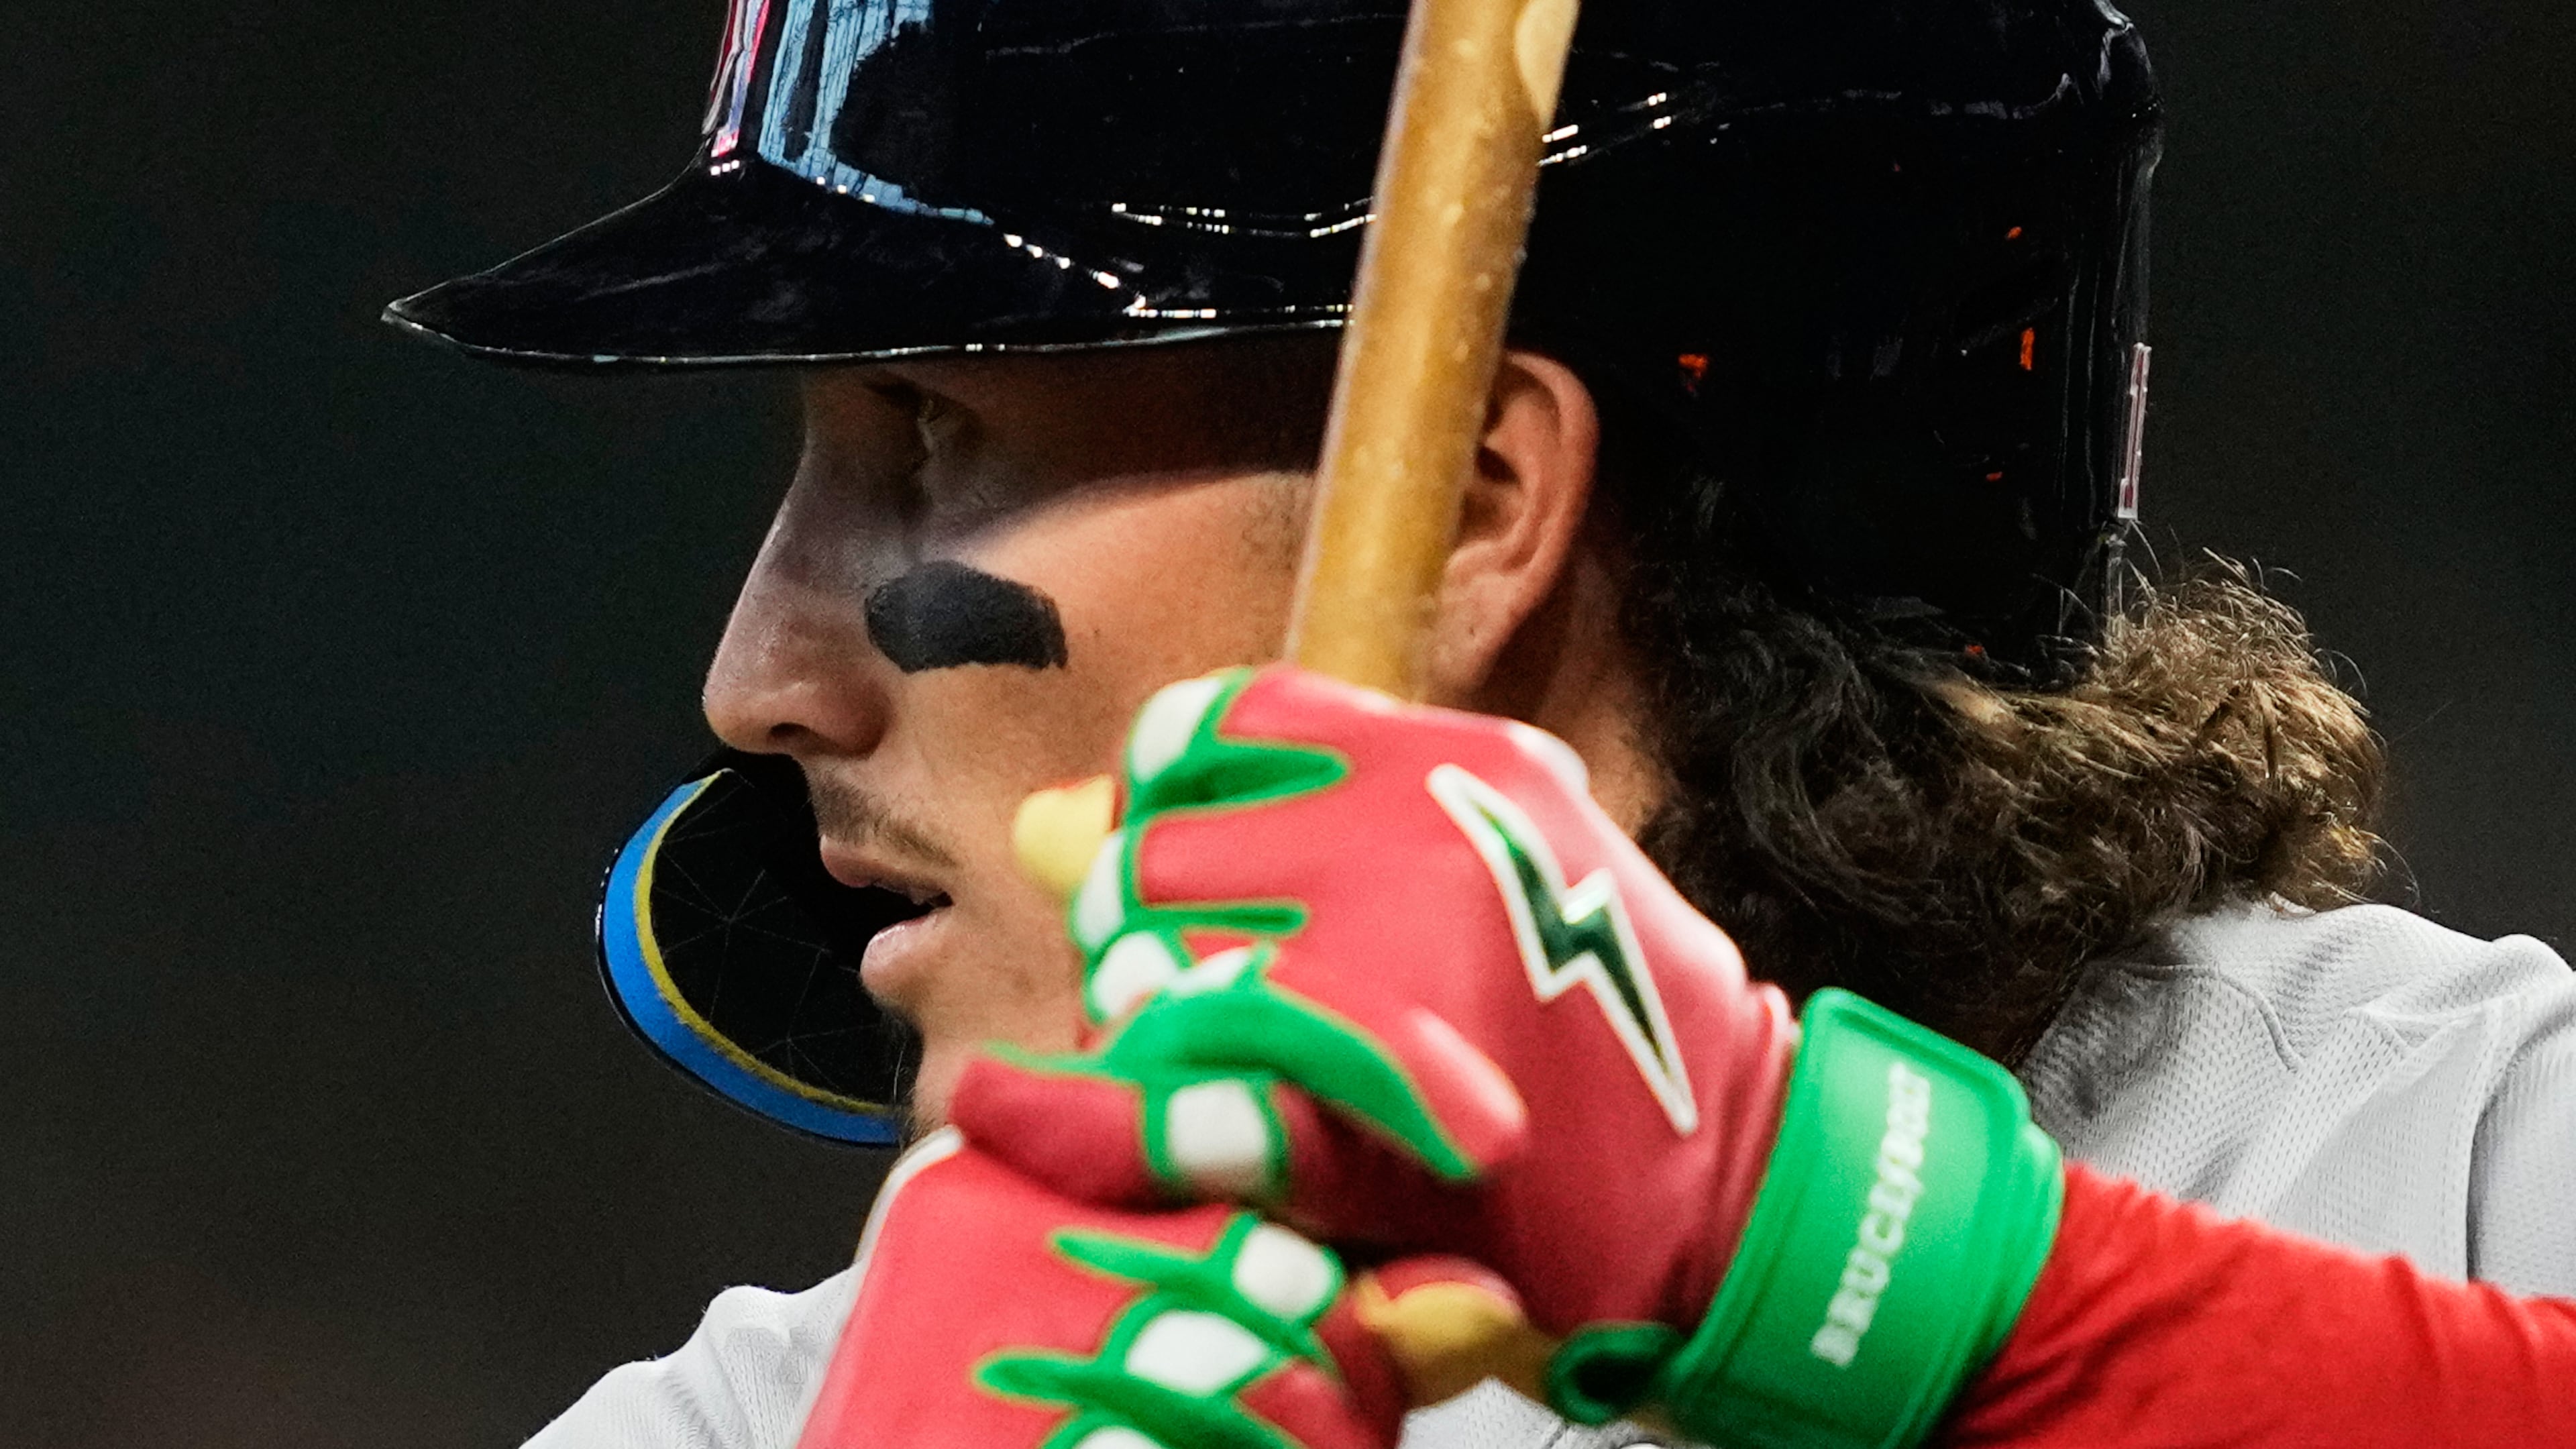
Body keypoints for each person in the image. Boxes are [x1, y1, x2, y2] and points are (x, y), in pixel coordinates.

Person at [384, 0, 2576, 1444]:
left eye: (929, 441)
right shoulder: (787, 1417)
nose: (755, 677)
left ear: (1465, 507)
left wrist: (1849, 1268)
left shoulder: (2441, 1159)